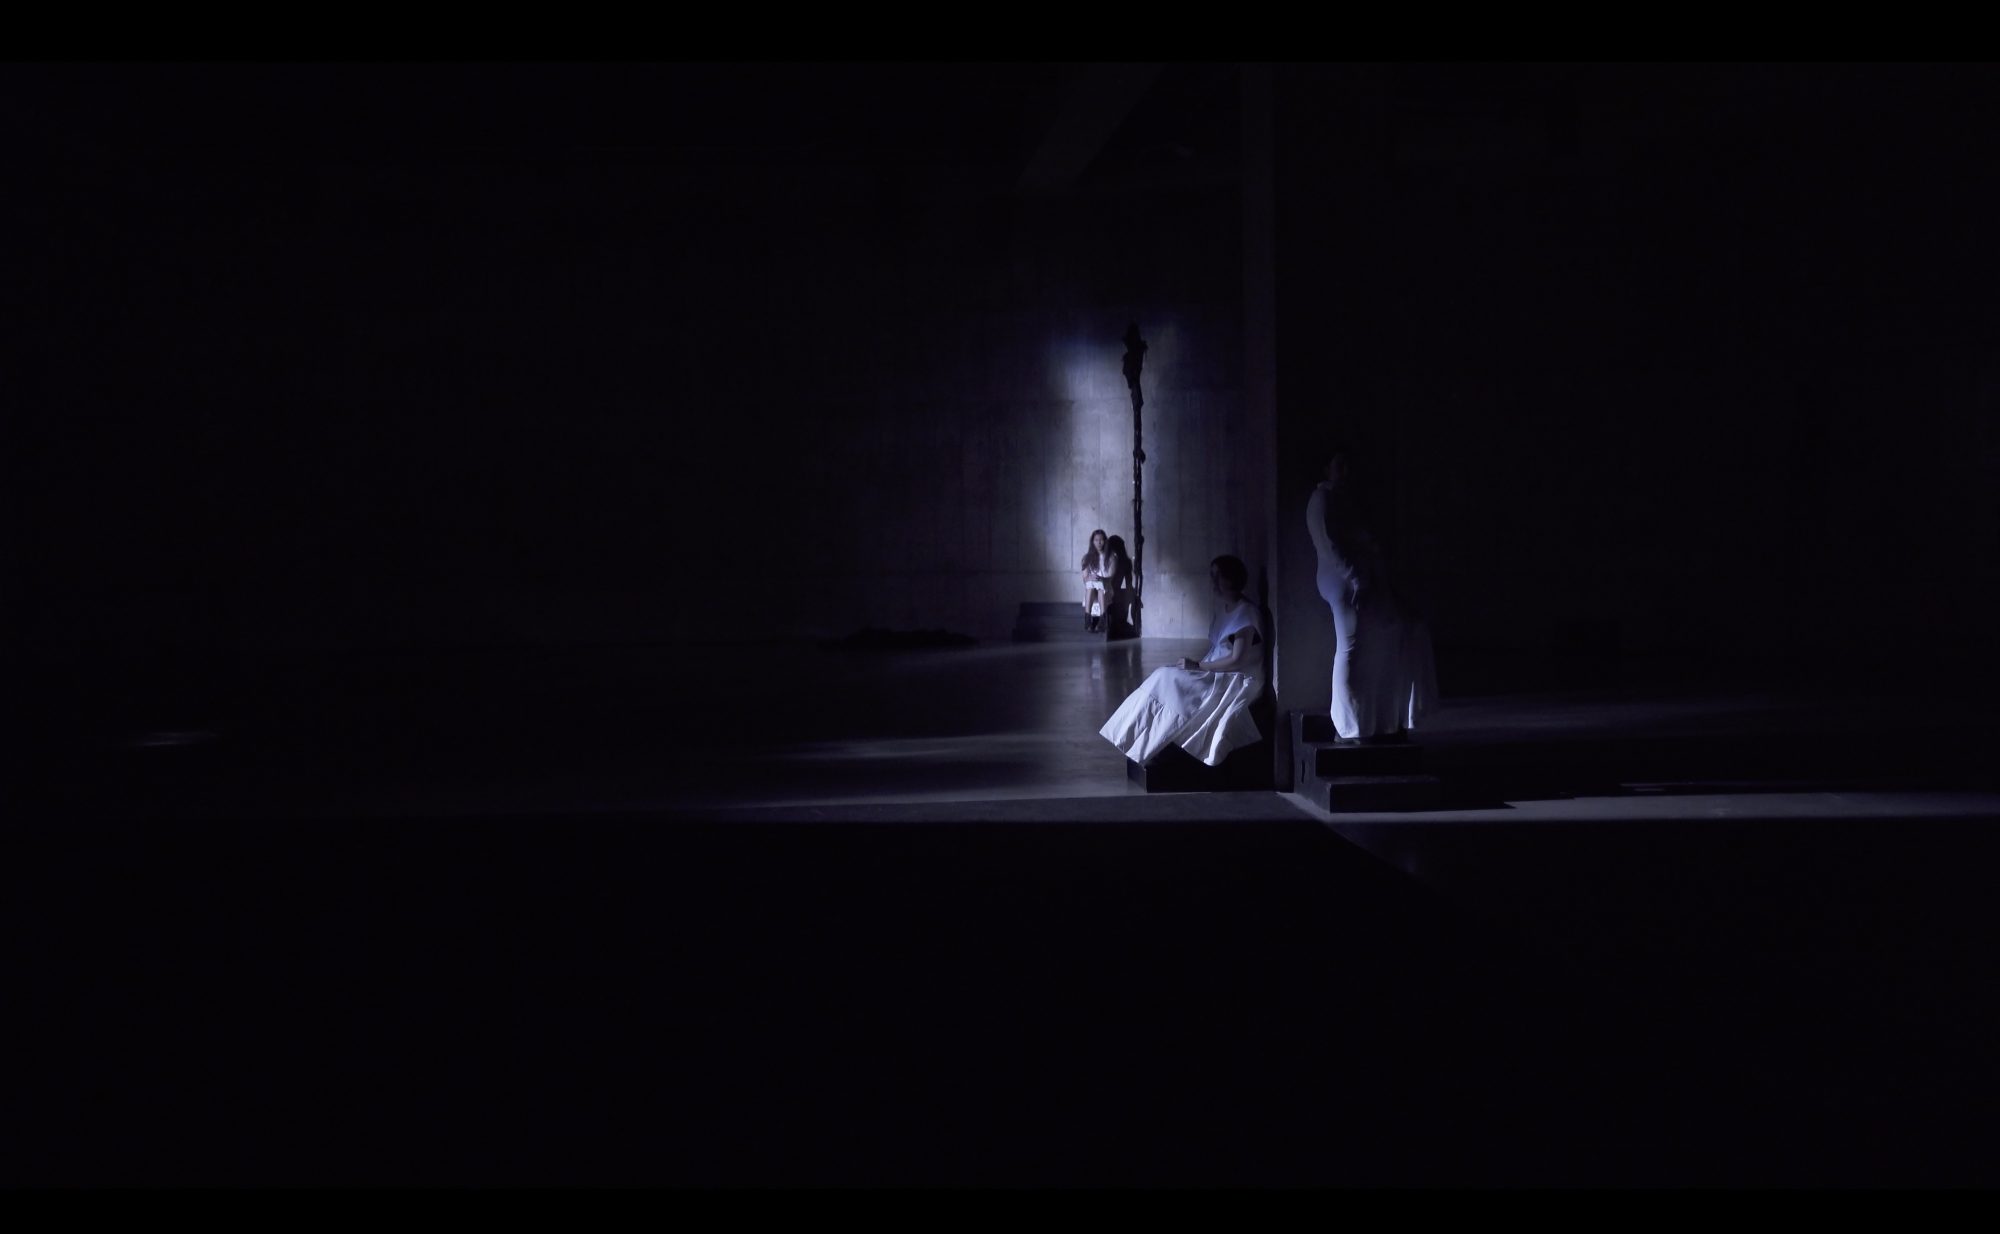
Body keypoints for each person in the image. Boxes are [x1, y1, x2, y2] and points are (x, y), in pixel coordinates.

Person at [1307, 450, 1438, 741]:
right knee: (1350, 647)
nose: (1346, 470)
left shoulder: (1342, 500)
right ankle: (1348, 722)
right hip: (1342, 579)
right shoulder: (1323, 499)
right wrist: (1356, 579)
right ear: (1326, 468)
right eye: (1339, 464)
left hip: (1355, 578)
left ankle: (1368, 718)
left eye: (1347, 463)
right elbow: (1330, 545)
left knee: (1370, 644)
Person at [1099, 555, 1267, 766]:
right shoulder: (1223, 609)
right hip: (1217, 670)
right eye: (1212, 576)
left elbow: (1237, 660)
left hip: (1235, 679)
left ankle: (1149, 743)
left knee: (1168, 678)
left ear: (1232, 579)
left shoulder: (1246, 614)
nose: (1213, 582)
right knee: (1164, 674)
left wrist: (1198, 666)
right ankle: (1133, 739)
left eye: (1219, 576)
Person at [1080, 529, 1113, 631]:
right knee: (1090, 588)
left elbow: (1111, 577)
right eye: (1096, 540)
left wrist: (1102, 579)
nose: (1099, 542)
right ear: (1093, 542)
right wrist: (1090, 577)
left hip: (1107, 588)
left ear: (1105, 541)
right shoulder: (1087, 558)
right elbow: (1085, 579)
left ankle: (1103, 619)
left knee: (1101, 589)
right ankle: (1087, 618)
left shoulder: (1111, 557)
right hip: (1092, 588)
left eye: (1101, 540)